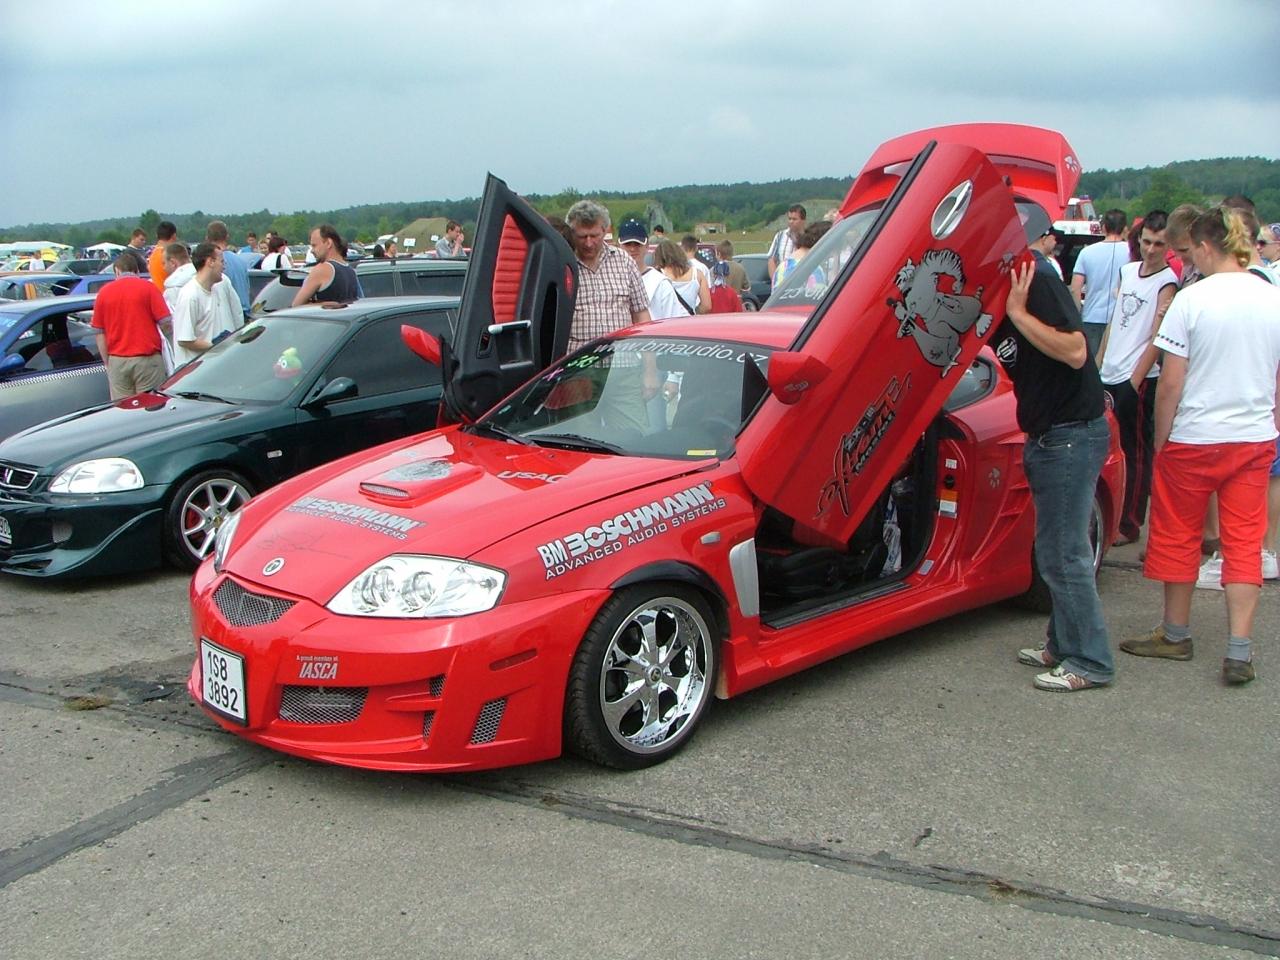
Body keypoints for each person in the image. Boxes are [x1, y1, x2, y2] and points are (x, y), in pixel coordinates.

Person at [1121, 206, 1280, 685]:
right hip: (1252, 437)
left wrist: (1161, 439)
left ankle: (1175, 633)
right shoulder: (1271, 297)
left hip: (1194, 437)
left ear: (1206, 247)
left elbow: (1171, 382)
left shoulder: (1192, 299)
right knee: (1244, 541)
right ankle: (1239, 648)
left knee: (1178, 534)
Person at [994, 210, 1115, 692]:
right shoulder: (999, 284)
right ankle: (1062, 644)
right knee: (1053, 551)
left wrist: (1019, 316)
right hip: (1050, 434)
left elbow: (1076, 351)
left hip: (1070, 434)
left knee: (1065, 554)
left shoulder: (1036, 278)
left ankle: (1090, 661)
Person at [1096, 210, 1178, 546]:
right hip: (1111, 368)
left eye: (1159, 244)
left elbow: (1158, 336)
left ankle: (1130, 521)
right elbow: (1115, 321)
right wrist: (1099, 361)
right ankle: (1111, 513)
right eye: (1147, 242)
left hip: (1137, 375)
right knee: (1108, 447)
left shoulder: (1167, 281)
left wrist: (1135, 380)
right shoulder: (1128, 271)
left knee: (1135, 450)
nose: (1151, 249)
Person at [564, 200, 657, 434]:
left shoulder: (624, 261)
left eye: (594, 236)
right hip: (579, 371)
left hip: (623, 368)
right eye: (582, 236)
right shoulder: (563, 264)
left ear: (605, 230)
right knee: (581, 440)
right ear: (572, 233)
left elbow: (642, 316)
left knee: (634, 437)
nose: (589, 243)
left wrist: (650, 370)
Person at [91, 251, 171, 399]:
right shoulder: (149, 288)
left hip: (117, 360)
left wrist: (108, 362)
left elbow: (99, 333)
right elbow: (166, 323)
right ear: (137, 271)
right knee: (151, 404)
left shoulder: (103, 293)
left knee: (123, 408)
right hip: (147, 360)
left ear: (117, 271)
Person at [1071, 209, 1137, 359]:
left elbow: (1075, 288)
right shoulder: (1132, 253)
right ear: (1125, 228)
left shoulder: (1086, 252)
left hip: (1091, 316)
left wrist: (1078, 312)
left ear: (1104, 227)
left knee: (1092, 363)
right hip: (1121, 319)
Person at [172, 242, 231, 365]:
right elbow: (184, 340)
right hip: (192, 370)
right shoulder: (190, 295)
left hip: (210, 366)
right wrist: (217, 345)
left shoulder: (216, 289)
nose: (224, 266)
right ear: (210, 262)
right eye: (222, 261)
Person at [617, 219, 688, 320]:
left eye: (637, 244)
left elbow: (673, 319)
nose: (632, 249)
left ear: (647, 246)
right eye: (627, 244)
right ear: (618, 246)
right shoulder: (611, 280)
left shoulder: (660, 283)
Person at [292, 224, 359, 306]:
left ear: (328, 243)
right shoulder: (351, 271)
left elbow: (296, 305)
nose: (312, 251)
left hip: (326, 314)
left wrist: (322, 305)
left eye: (314, 245)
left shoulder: (323, 269)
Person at [206, 221, 250, 320]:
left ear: (207, 238)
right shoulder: (241, 262)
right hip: (244, 314)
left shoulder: (210, 264)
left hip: (226, 316)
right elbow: (247, 289)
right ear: (227, 237)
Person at [654, 240, 710, 315]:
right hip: (688, 321)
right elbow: (707, 306)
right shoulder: (697, 274)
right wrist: (693, 313)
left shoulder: (657, 276)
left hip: (666, 320)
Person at [767, 204, 807, 283]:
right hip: (782, 282)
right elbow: (771, 260)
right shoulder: (780, 236)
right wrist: (775, 281)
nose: (791, 222)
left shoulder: (809, 237)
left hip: (802, 281)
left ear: (803, 220)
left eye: (794, 219)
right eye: (789, 219)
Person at [161, 242, 195, 313]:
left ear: (173, 262)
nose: (163, 268)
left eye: (164, 263)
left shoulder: (172, 289)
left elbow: (173, 317)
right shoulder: (207, 278)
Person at [149, 221, 178, 290]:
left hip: (157, 293)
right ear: (174, 236)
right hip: (168, 294)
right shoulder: (169, 255)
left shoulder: (152, 255)